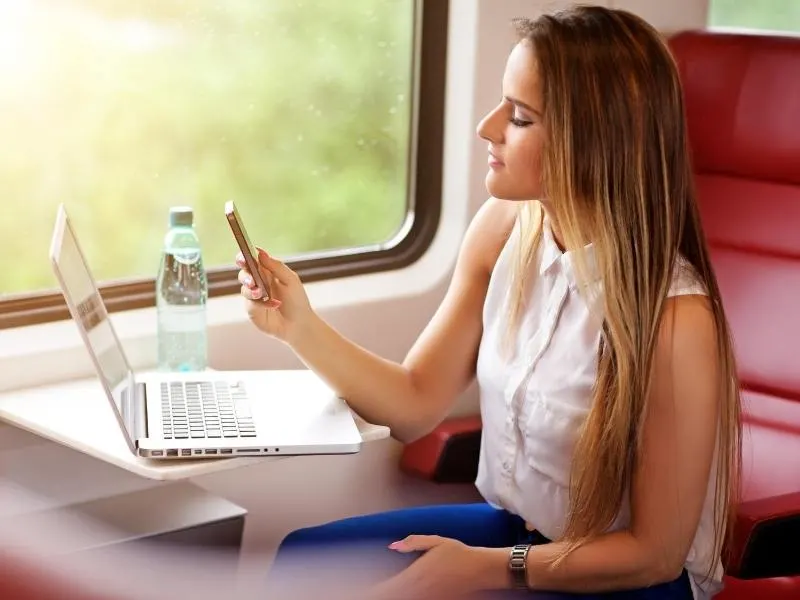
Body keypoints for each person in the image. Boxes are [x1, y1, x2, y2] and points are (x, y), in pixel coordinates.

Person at [236, 5, 741, 600]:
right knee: (306, 561)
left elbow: (653, 556)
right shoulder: (505, 228)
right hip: (522, 536)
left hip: (628, 579)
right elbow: (414, 402)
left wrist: (492, 567)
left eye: (520, 117)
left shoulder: (676, 320)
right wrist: (300, 327)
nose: (487, 126)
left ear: (592, 142)